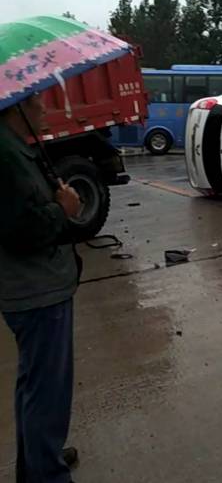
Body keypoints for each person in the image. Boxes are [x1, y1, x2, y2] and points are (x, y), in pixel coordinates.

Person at [0, 93, 82, 483]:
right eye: (37, 103)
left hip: (35, 286)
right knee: (47, 395)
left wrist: (54, 198)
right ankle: (47, 473)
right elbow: (21, 230)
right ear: (17, 108)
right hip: (36, 290)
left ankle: (35, 462)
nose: (43, 109)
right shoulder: (5, 156)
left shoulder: (14, 149)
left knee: (33, 386)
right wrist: (62, 210)